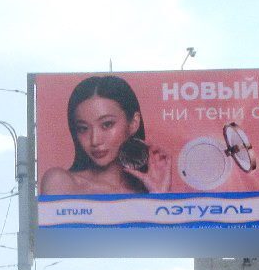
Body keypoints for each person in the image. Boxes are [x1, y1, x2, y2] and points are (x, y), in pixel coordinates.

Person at [40, 75, 173, 195]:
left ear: (133, 123)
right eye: (83, 128)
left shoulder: (147, 189)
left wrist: (159, 196)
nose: (95, 140)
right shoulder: (61, 182)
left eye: (107, 124)